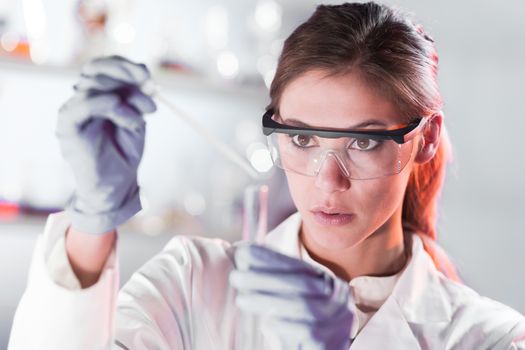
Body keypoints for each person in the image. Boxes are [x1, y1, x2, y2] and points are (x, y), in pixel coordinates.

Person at [8, 2, 525, 349]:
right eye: (302, 138)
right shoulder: (192, 282)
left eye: (364, 141)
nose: (328, 182)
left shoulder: (489, 336)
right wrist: (92, 221)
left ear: (426, 139)